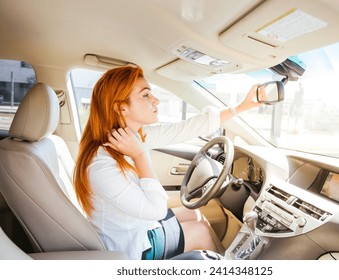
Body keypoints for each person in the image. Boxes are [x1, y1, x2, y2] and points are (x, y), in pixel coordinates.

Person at [73, 65, 266, 260]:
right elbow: (156, 210)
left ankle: (222, 264)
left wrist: (242, 107)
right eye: (146, 95)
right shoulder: (101, 165)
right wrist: (140, 156)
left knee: (197, 215)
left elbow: (184, 129)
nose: (155, 99)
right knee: (199, 231)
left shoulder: (131, 137)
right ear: (120, 107)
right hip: (131, 248)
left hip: (139, 226)